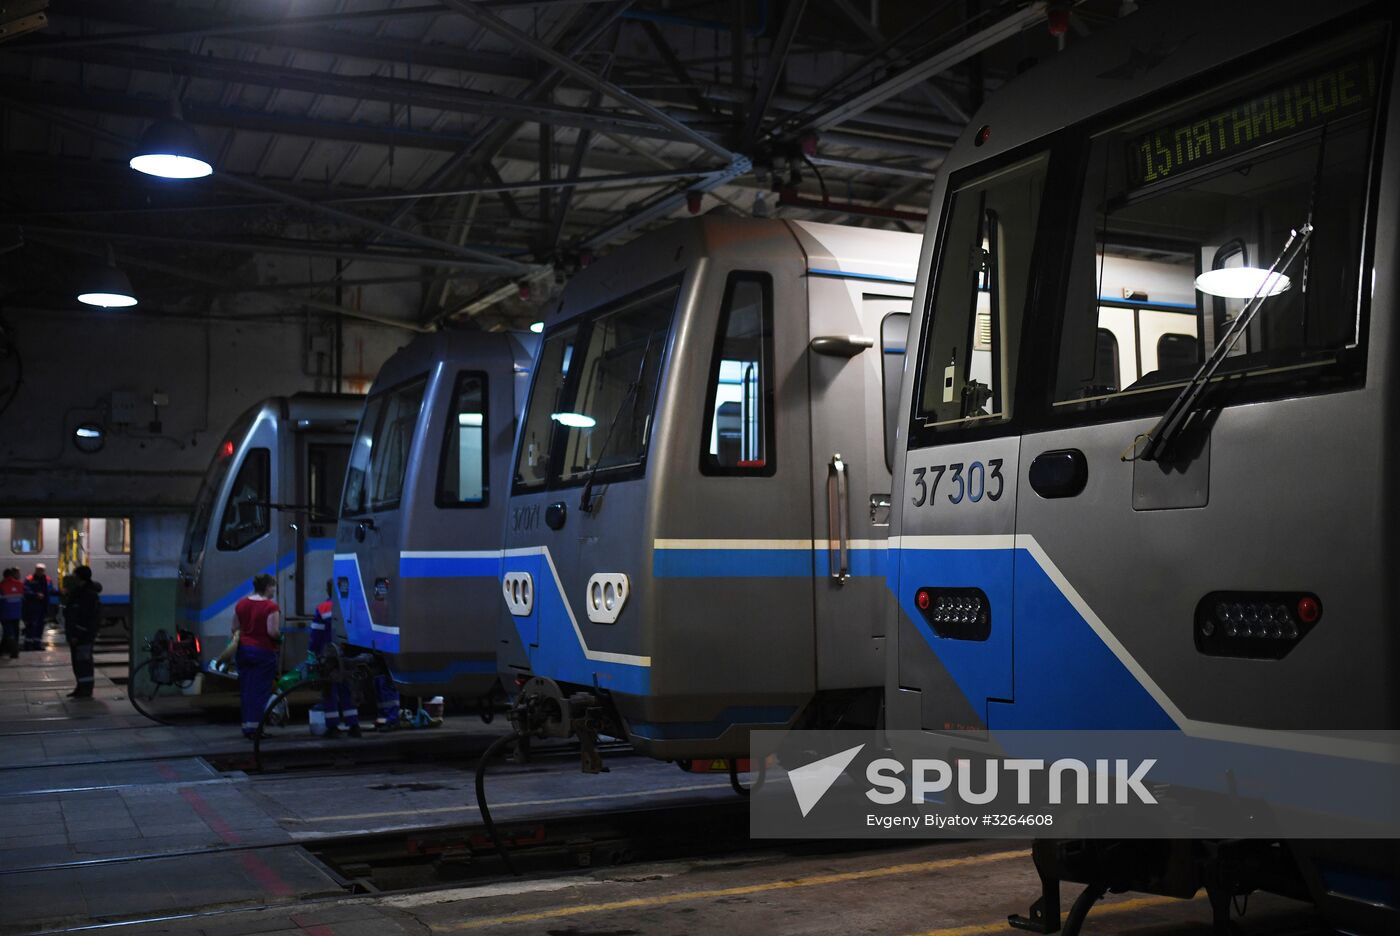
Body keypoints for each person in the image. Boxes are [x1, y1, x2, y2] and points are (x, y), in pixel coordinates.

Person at [309, 580, 360, 738]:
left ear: (328, 590)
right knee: (347, 690)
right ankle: (354, 726)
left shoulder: (323, 608)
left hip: (329, 657)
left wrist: (312, 654)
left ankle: (333, 727)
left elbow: (315, 636)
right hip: (347, 657)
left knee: (329, 691)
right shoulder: (351, 606)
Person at [233, 573, 281, 739]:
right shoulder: (271, 607)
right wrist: (280, 638)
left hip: (244, 651)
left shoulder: (241, 604)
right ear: (267, 587)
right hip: (263, 652)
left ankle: (247, 727)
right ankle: (256, 729)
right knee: (260, 691)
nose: (274, 589)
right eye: (273, 586)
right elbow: (272, 632)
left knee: (247, 690)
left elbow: (235, 628)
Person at [63, 565, 102, 698]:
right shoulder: (80, 592)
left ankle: (86, 690)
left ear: (79, 577)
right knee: (78, 663)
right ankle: (80, 687)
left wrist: (77, 634)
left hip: (83, 636)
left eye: (75, 575)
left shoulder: (87, 595)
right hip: (77, 635)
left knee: (84, 662)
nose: (73, 578)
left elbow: (86, 618)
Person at [22, 563, 57, 651]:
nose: (40, 571)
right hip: (32, 606)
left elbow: (51, 590)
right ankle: (28, 644)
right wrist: (35, 595)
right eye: (38, 570)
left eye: (41, 570)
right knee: (31, 625)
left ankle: (37, 644)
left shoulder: (47, 579)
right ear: (36, 570)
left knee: (40, 626)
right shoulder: (29, 579)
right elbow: (25, 590)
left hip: (43, 606)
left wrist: (60, 592)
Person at [1, 568, 22, 659]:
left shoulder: (1, 585)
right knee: (14, 632)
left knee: (9, 633)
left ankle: (14, 651)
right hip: (17, 613)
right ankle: (4, 649)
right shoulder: (20, 584)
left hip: (5, 614)